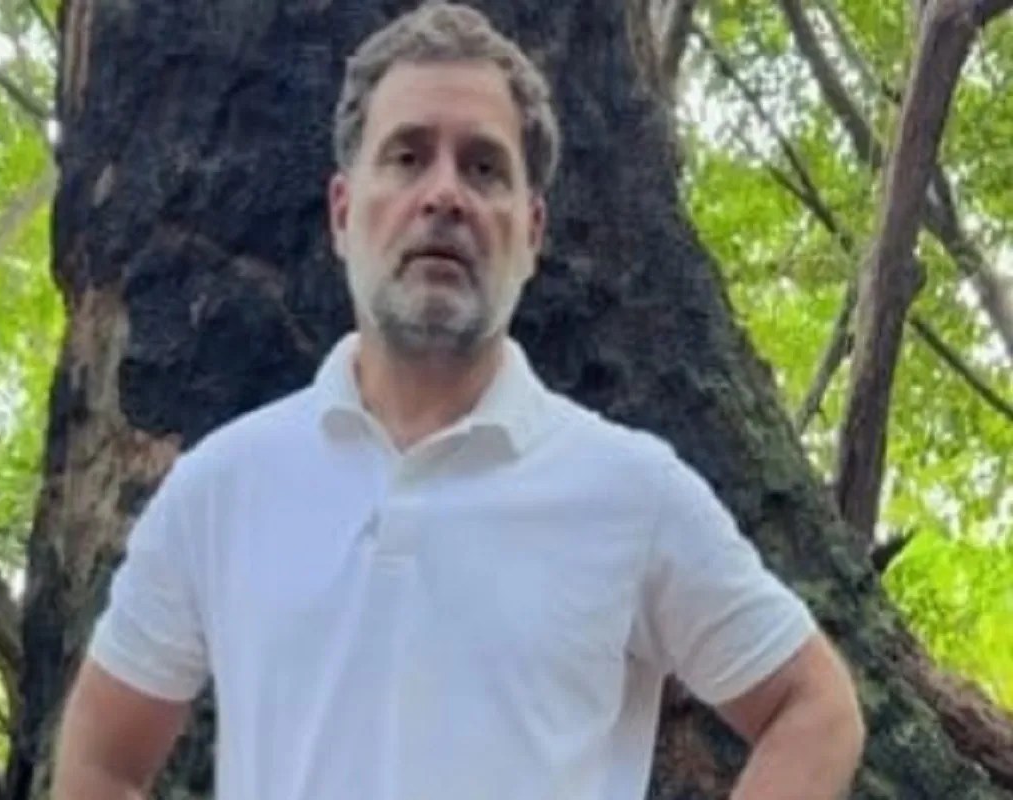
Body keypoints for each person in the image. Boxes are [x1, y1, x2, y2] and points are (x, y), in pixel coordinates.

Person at [53, 4, 865, 798]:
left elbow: (815, 710)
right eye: (407, 157)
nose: (444, 195)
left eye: (483, 168)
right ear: (342, 213)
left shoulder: (633, 494)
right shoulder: (220, 490)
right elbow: (100, 760)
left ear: (531, 231)